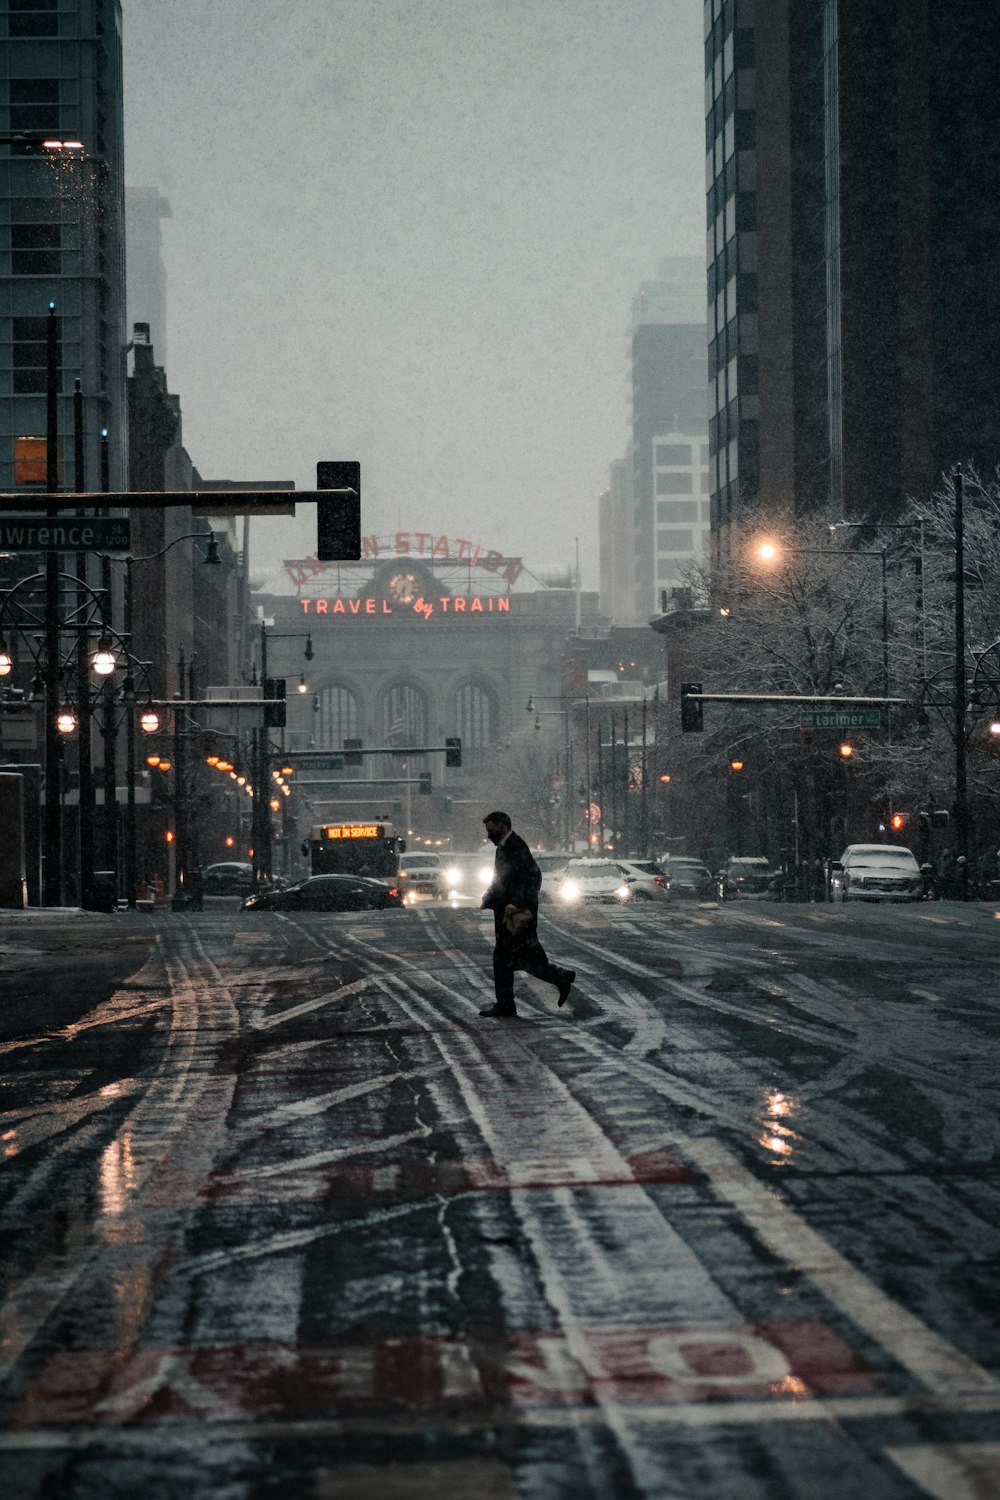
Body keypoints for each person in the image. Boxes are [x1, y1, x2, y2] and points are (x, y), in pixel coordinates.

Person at [478, 810, 576, 1018]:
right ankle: (558, 978)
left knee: (512, 958)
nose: (489, 835)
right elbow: (503, 879)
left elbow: (532, 876)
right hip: (511, 912)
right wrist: (492, 895)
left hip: (517, 915)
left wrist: (517, 903)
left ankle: (508, 1003)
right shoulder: (505, 847)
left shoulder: (515, 846)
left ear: (503, 827)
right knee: (517, 959)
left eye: (492, 830)